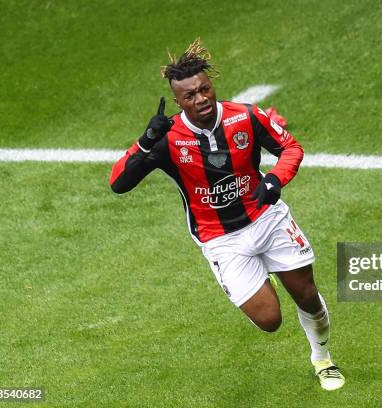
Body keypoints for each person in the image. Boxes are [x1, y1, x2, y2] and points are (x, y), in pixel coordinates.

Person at [109, 38, 344, 391]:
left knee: (308, 296)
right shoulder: (167, 138)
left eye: (205, 88)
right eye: (190, 95)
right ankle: (254, 281)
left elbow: (291, 148)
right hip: (221, 239)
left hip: (267, 218)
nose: (201, 98)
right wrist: (145, 142)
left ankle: (322, 358)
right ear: (178, 100)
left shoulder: (246, 116)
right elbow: (118, 183)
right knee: (269, 320)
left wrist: (275, 181)